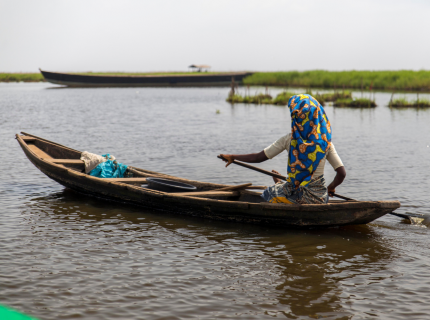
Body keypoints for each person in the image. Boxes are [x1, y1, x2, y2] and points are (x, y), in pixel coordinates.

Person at [219, 94, 346, 205]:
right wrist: (331, 187)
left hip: (299, 198)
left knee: (269, 192)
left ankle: (280, 183)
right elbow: (341, 173)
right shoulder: (325, 142)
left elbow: (258, 158)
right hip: (319, 198)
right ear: (317, 115)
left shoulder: (290, 139)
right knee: (290, 187)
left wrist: (233, 157)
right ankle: (281, 182)